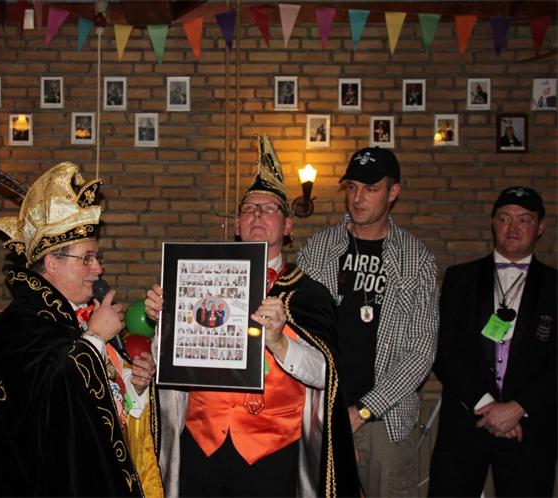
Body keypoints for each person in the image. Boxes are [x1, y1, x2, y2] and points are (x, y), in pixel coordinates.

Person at [146, 136, 360, 497]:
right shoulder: (200, 279)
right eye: (248, 208)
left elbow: (327, 375)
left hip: (271, 454)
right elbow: (166, 363)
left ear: (288, 226)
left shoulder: (308, 294)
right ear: (237, 224)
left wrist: (279, 342)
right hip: (200, 447)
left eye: (270, 208)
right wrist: (164, 323)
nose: (258, 214)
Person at [0, 162, 163, 497]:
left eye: (97, 258)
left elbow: (98, 407)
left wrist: (133, 386)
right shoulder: (19, 325)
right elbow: (49, 405)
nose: (98, 268)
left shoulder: (74, 318)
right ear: (52, 263)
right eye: (87, 258)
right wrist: (95, 339)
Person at [297, 147, 439, 498]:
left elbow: (421, 352)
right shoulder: (319, 249)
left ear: (393, 192)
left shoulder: (415, 258)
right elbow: (299, 330)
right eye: (353, 187)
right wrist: (330, 412)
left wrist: (362, 411)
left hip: (384, 421)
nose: (358, 198)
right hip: (321, 413)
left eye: (371, 189)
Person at [428, 187, 556, 497]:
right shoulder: (460, 278)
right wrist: (487, 406)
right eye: (504, 218)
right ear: (493, 222)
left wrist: (518, 408)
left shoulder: (555, 286)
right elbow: (443, 350)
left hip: (529, 431)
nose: (513, 228)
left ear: (540, 227)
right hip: (465, 424)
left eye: (524, 220)